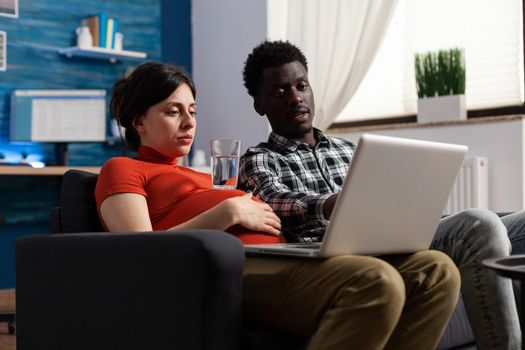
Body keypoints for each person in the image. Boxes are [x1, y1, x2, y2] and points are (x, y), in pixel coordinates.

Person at [95, 61, 460, 350]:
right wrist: (227, 212)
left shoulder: (204, 176)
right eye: (173, 112)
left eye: (192, 109)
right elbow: (138, 254)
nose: (190, 122)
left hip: (286, 256)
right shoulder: (122, 168)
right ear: (139, 120)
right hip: (226, 273)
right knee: (375, 282)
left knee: (436, 270)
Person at [238, 40, 525, 350]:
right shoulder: (260, 158)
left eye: (301, 86)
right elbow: (278, 202)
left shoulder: (350, 150)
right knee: (480, 224)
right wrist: (337, 204)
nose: (296, 98)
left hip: (392, 240)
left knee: (517, 224)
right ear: (259, 105)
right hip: (338, 256)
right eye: (281, 92)